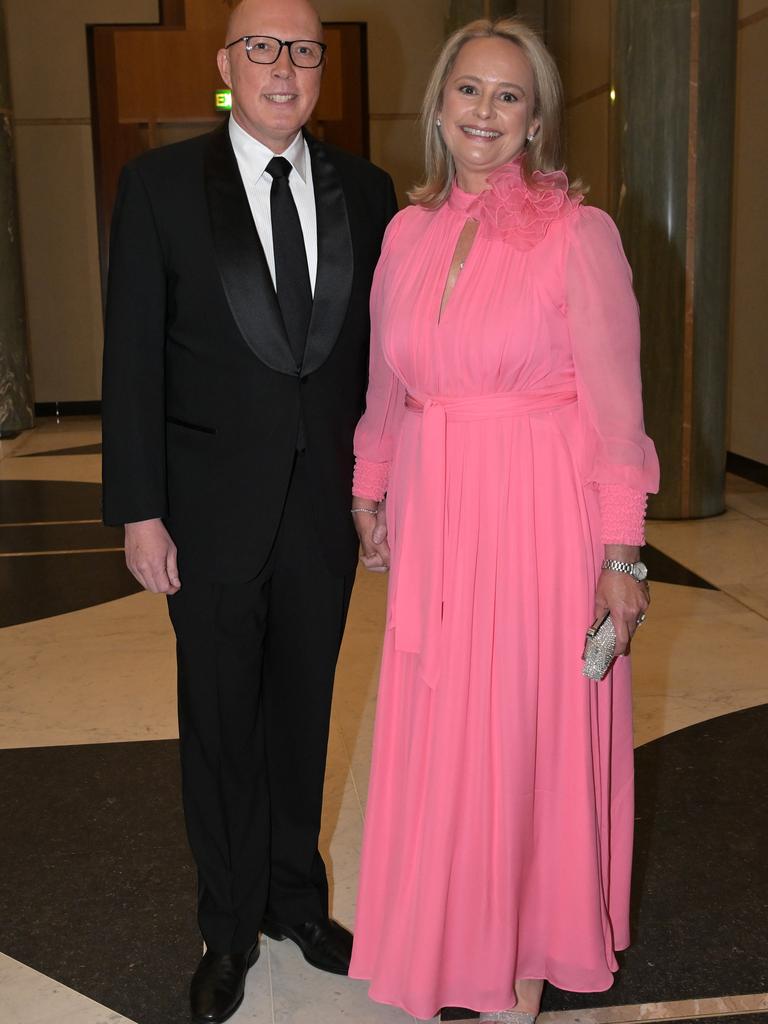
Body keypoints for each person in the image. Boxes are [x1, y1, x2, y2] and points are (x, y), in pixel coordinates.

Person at [348, 17, 660, 1024]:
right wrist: (372, 480)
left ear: (536, 119)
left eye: (508, 96)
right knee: (444, 725)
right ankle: (448, 944)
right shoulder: (405, 231)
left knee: (524, 733)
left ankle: (519, 959)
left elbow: (619, 412)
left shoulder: (580, 233)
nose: (485, 112)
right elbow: (385, 386)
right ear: (439, 103)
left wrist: (623, 554)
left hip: (539, 514)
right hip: (440, 505)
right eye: (469, 90)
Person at [101, 0, 397, 1020]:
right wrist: (140, 508)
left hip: (322, 511)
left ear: (324, 69)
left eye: (304, 50)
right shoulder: (160, 187)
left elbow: (380, 362)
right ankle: (226, 927)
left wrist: (382, 483)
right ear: (227, 63)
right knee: (221, 725)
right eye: (263, 47)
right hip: (208, 512)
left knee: (303, 714)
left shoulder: (367, 189)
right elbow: (132, 357)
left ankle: (294, 900)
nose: (285, 67)